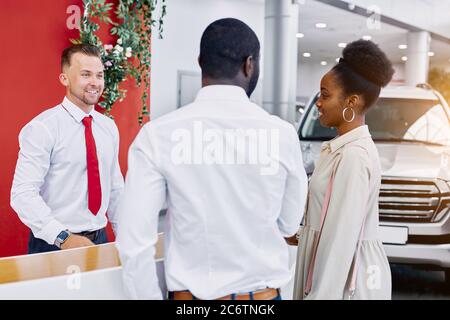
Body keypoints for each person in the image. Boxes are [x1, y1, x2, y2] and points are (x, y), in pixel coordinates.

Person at [115, 18, 308, 300]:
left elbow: (134, 242)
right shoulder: (282, 134)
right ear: (249, 65)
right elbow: (289, 224)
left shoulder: (157, 135)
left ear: (200, 62)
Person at [293, 40, 394, 300]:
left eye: (325, 95)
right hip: (339, 272)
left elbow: (339, 243)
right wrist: (301, 233)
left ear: (351, 102)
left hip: (347, 281)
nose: (317, 103)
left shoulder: (352, 156)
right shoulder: (341, 149)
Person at [10, 44, 124, 254]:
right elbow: (22, 193)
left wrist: (127, 237)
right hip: (53, 244)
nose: (95, 82)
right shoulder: (43, 128)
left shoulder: (108, 127)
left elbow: (116, 189)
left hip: (99, 239)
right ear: (64, 79)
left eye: (99, 75)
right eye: (85, 74)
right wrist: (63, 238)